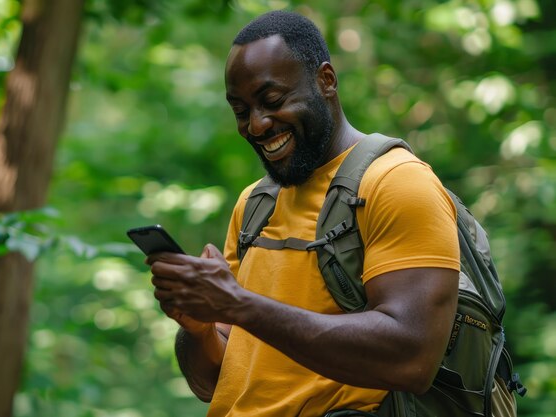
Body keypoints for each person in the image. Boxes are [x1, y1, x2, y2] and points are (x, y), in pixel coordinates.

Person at [147, 10, 460, 416]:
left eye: (272, 101)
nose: (256, 125)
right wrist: (200, 326)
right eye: (241, 110)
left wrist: (238, 303)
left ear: (325, 80)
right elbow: (210, 384)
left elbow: (412, 357)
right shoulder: (255, 205)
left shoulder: (396, 182)